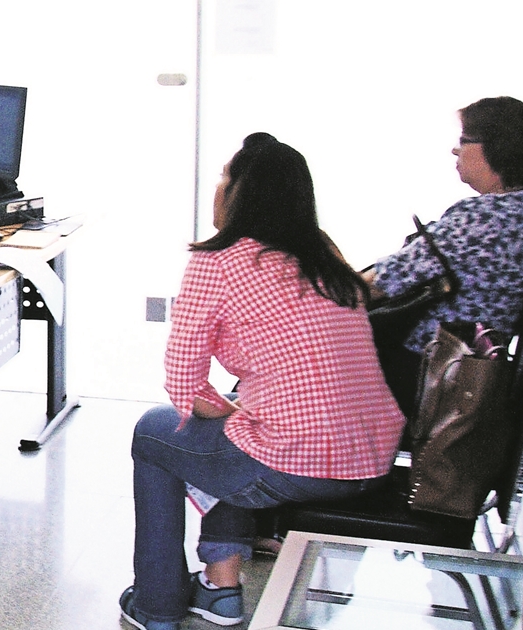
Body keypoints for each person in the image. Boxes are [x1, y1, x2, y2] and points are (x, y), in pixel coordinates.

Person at [119, 134, 405, 630]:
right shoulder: (322, 253)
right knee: (235, 423)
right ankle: (219, 589)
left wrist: (220, 410)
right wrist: (232, 412)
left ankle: (157, 604)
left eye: (225, 177)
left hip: (299, 462)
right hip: (371, 456)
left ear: (241, 193)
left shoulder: (218, 261)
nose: (218, 187)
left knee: (154, 433)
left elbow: (184, 382)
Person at [364, 96, 523, 418]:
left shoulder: (484, 217)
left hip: (428, 373)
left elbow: (380, 284)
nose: (455, 150)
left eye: (464, 140)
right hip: (468, 376)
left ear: (496, 148)